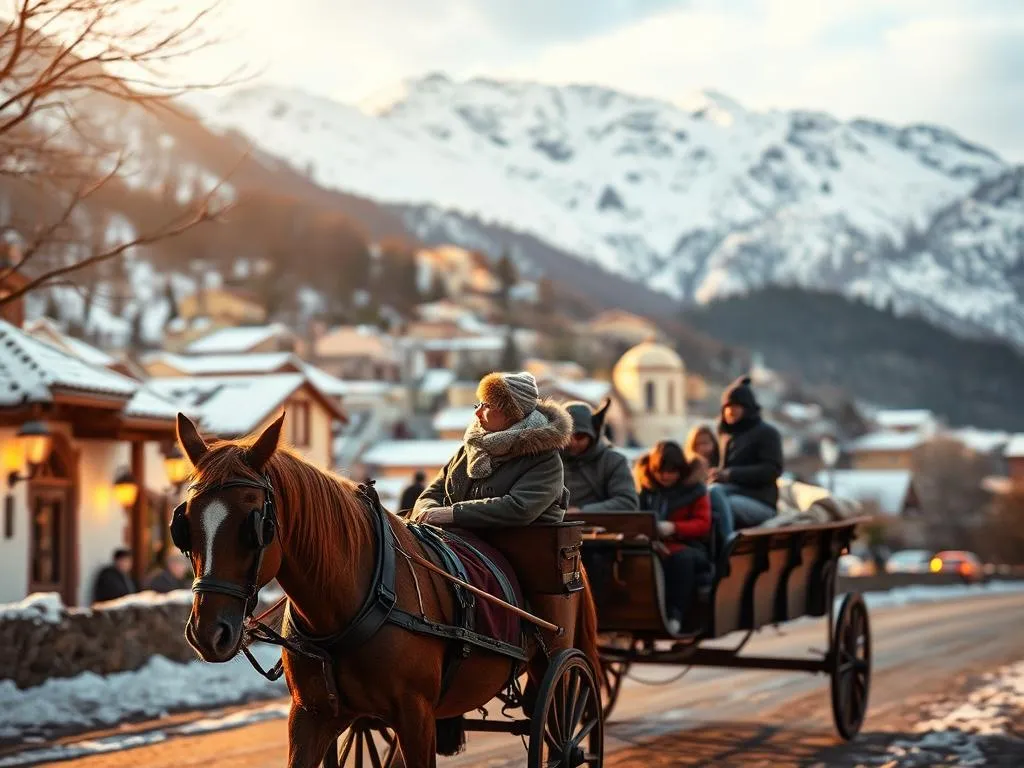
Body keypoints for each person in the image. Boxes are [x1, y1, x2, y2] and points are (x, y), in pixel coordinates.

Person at [413, 371, 572, 526]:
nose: (477, 412)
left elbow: (520, 508)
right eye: (479, 404)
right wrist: (429, 511)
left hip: (522, 546)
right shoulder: (472, 448)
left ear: (512, 414)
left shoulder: (544, 457)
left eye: (487, 405)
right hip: (462, 541)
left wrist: (453, 514)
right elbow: (431, 494)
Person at [635, 441, 711, 634]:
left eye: (671, 471)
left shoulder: (695, 490)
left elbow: (703, 524)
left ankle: (676, 616)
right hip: (652, 544)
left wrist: (674, 527)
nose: (666, 476)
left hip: (689, 546)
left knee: (680, 560)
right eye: (661, 471)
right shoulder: (645, 491)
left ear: (681, 470)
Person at [710, 375, 783, 529]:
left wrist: (731, 474)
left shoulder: (766, 433)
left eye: (736, 407)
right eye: (727, 407)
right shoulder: (726, 436)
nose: (730, 411)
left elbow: (772, 470)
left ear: (747, 408)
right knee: (707, 498)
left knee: (722, 502)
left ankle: (728, 545)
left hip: (760, 501)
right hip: (731, 493)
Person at [562, 399, 639, 513]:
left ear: (594, 435)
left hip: (601, 527)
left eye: (580, 436)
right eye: (567, 436)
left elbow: (627, 502)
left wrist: (582, 511)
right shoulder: (548, 460)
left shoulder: (614, 461)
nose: (573, 442)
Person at [685, 424, 734, 547]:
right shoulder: (688, 466)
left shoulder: (721, 464)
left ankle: (729, 542)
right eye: (698, 444)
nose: (702, 448)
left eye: (706, 443)